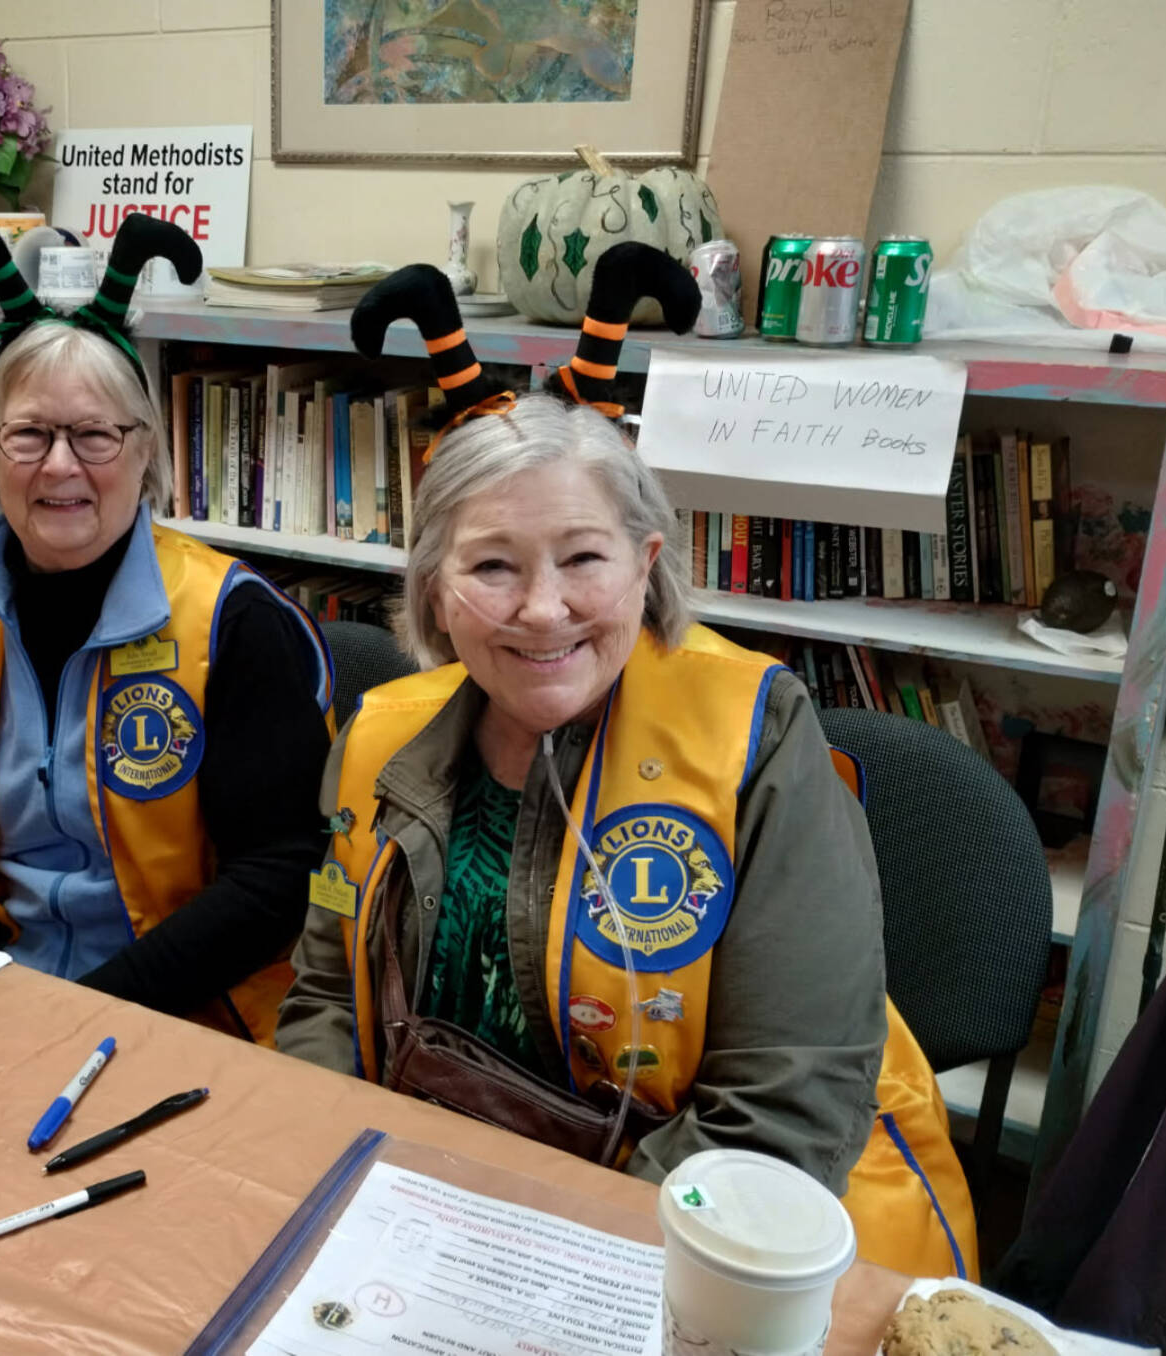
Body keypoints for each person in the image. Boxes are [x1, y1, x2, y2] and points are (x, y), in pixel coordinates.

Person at [276, 248, 979, 1280]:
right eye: (491, 567)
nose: (543, 609)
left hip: (719, 1235)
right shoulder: (379, 735)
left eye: (584, 558)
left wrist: (556, 1264)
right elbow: (327, 998)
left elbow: (782, 1105)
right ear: (432, 593)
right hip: (441, 1202)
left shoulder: (759, 735)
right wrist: (315, 1170)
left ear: (646, 569)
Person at [0, 210, 333, 1044]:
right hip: (8, 993)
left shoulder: (234, 621)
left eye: (96, 434)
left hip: (195, 1011)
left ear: (147, 452)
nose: (61, 466)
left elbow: (279, 878)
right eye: (29, 433)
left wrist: (84, 1016)